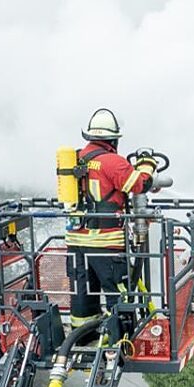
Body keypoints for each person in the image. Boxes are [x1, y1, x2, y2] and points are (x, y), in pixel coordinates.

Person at [66, 108, 157, 331]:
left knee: (82, 297)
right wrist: (147, 166)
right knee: (119, 296)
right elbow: (139, 184)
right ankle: (120, 342)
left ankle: (83, 335)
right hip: (105, 245)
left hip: (76, 244)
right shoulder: (114, 162)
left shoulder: (74, 160)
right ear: (113, 138)